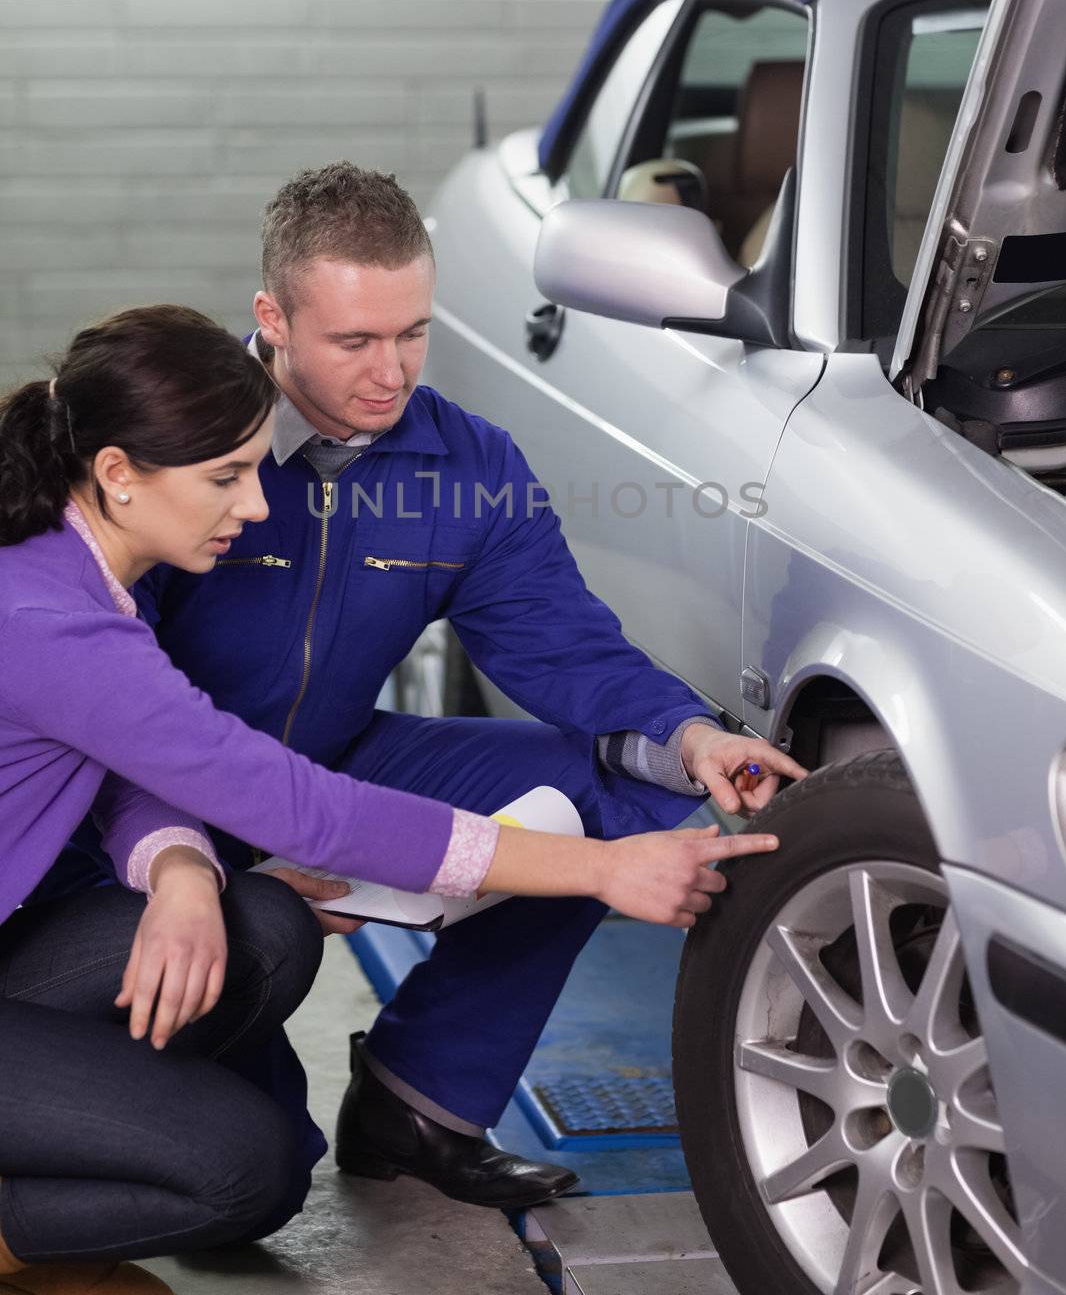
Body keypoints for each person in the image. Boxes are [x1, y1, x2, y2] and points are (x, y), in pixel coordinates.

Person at [0, 305, 777, 1291]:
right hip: (51, 912)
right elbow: (310, 811)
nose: (252, 505)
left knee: (267, 937)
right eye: (226, 478)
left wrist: (185, 869)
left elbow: (152, 771)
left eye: (254, 466)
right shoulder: (53, 619)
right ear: (118, 474)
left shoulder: (69, 572)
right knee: (238, 1168)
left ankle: (107, 1108)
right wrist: (602, 869)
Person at [124, 165, 808, 1211]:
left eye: (411, 332)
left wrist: (689, 737)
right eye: (354, 340)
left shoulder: (463, 464)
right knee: (249, 1171)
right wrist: (247, 847)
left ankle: (419, 1102)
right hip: (169, 789)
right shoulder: (181, 443)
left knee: (628, 795)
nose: (390, 371)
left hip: (343, 755)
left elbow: (562, 644)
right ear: (271, 317)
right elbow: (103, 695)